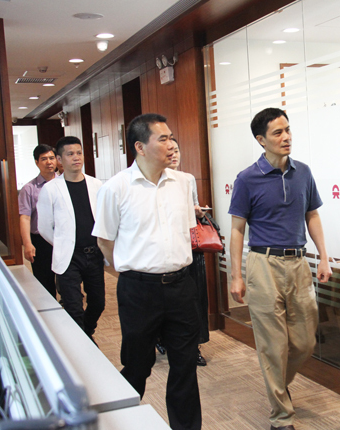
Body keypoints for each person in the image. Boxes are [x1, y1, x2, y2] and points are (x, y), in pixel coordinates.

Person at [92, 114, 204, 430]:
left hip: (181, 286)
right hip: (138, 291)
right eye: (163, 139)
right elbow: (105, 241)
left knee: (185, 366)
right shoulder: (115, 188)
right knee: (138, 365)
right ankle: (121, 423)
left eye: (172, 137)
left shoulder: (184, 182)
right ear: (140, 147)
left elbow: (187, 231)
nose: (171, 144)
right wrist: (131, 274)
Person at [229, 107, 332, 430]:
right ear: (261, 140)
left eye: (287, 130)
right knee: (273, 346)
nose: (286, 137)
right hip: (263, 264)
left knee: (304, 342)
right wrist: (236, 275)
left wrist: (324, 256)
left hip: (298, 263)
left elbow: (312, 214)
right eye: (277, 132)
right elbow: (237, 229)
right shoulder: (247, 179)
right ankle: (281, 416)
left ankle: (277, 386)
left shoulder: (303, 172)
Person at [37, 137, 105, 344]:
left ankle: (86, 333)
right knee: (73, 307)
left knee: (98, 303)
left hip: (94, 254)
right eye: (70, 154)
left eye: (79, 153)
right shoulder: (51, 189)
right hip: (69, 257)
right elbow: (44, 227)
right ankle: (82, 346)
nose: (76, 158)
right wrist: (63, 244)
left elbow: (103, 219)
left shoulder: (96, 185)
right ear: (59, 159)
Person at [167, 140, 209, 366]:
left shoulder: (188, 179)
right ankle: (163, 339)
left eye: (177, 151)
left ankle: (195, 347)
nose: (174, 155)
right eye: (169, 151)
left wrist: (198, 212)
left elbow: (194, 208)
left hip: (190, 245)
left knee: (194, 299)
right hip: (167, 249)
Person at [18, 144, 58, 298]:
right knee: (45, 282)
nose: (49, 162)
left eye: (51, 158)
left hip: (63, 238)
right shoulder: (29, 189)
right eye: (44, 159)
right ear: (36, 162)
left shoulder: (64, 184)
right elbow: (25, 217)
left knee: (68, 280)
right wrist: (27, 244)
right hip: (40, 241)